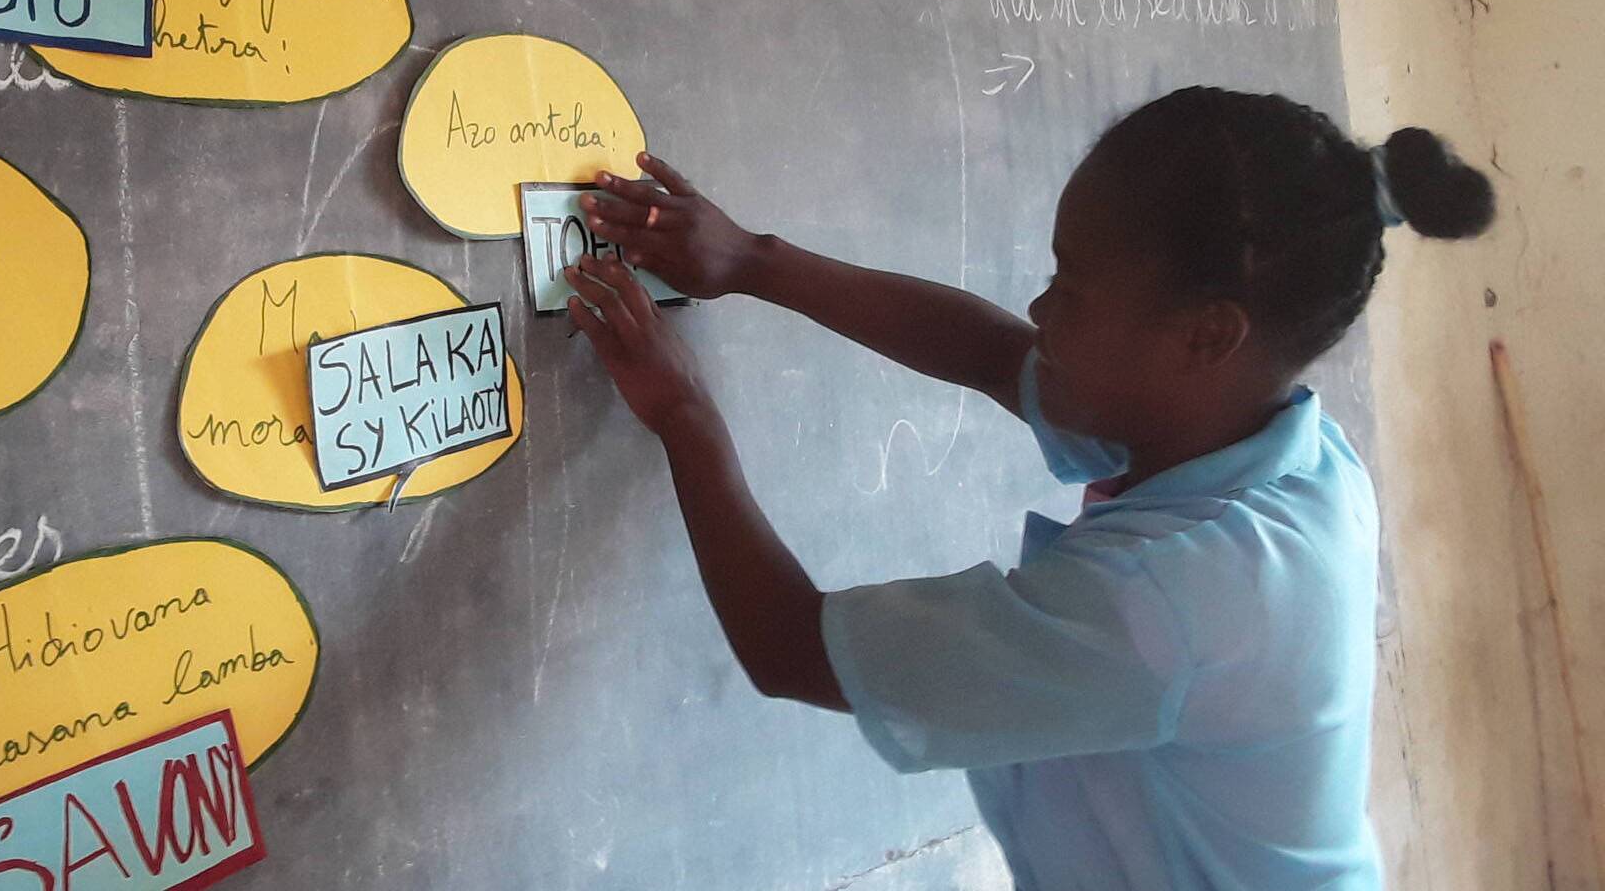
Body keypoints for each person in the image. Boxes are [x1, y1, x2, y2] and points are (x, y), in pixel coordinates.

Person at [561, 86, 1495, 890]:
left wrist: (684, 414)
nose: (1043, 309)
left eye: (1073, 288)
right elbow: (997, 355)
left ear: (1208, 336)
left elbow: (794, 650)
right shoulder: (1280, 444)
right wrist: (753, 259)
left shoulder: (1189, 601)